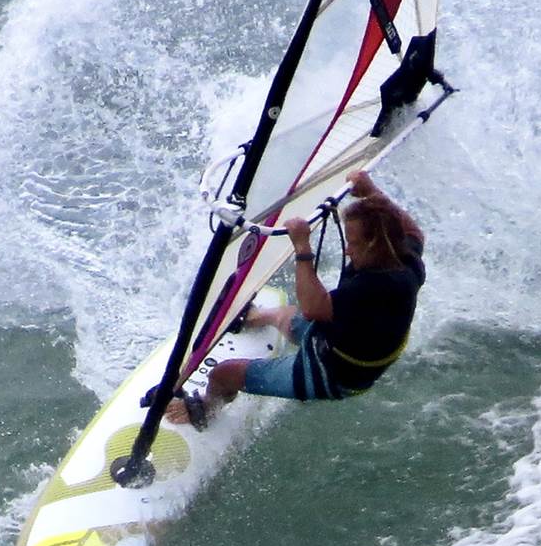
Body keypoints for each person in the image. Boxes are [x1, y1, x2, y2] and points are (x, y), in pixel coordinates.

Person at [166, 169, 425, 426]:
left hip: (333, 373)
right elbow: (414, 232)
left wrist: (302, 247)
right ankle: (257, 317)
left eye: (353, 243)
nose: (347, 250)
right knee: (283, 315)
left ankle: (206, 410)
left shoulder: (377, 286)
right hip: (333, 339)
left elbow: (314, 308)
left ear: (373, 243)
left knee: (223, 374)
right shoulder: (403, 255)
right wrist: (371, 194)